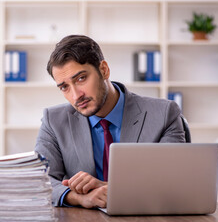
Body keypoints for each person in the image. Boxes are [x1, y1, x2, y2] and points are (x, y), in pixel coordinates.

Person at [35, 35, 186, 209]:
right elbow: (40, 181)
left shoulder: (164, 114)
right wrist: (78, 198)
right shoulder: (53, 121)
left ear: (104, 70)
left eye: (81, 78)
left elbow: (173, 184)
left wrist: (107, 187)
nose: (76, 96)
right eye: (64, 87)